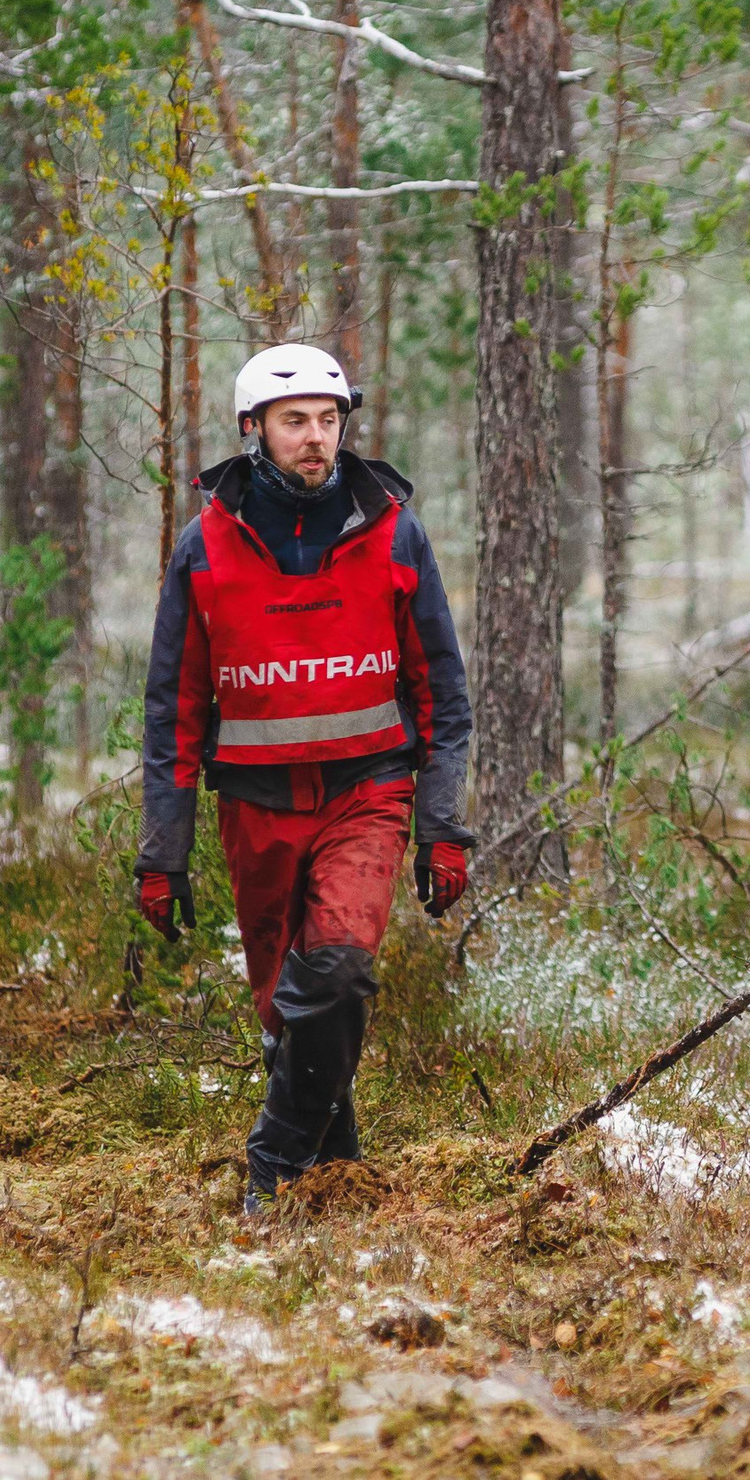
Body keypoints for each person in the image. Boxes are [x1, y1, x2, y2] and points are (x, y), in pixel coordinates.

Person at [133, 344, 473, 1215]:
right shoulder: (203, 548)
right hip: (256, 807)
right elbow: (174, 710)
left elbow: (442, 695)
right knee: (287, 1011)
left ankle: (273, 1171)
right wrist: (161, 856)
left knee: (339, 970)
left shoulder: (395, 529)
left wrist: (440, 828)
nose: (317, 438)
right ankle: (335, 1175)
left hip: (368, 792)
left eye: (330, 420)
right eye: (296, 422)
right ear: (254, 430)